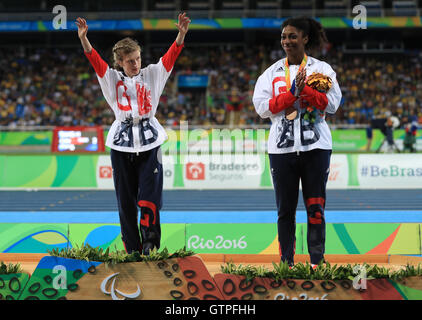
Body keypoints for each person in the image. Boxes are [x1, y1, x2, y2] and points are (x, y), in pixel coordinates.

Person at [76, 13, 191, 255]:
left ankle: (150, 245)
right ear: (120, 63)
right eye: (129, 61)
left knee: (150, 197)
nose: (135, 64)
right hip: (121, 145)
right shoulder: (110, 78)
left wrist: (181, 34)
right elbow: (95, 61)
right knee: (125, 202)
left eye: (137, 58)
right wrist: (84, 39)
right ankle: (132, 250)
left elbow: (171, 57)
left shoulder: (152, 74)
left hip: (151, 142)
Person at [253, 17, 342, 268]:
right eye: (283, 36)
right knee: (285, 211)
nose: (287, 41)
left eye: (293, 36)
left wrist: (307, 92)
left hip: (316, 147)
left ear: (305, 39)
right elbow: (262, 109)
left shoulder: (323, 70)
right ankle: (286, 263)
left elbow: (333, 104)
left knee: (316, 208)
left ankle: (317, 262)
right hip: (282, 149)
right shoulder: (270, 73)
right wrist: (292, 94)